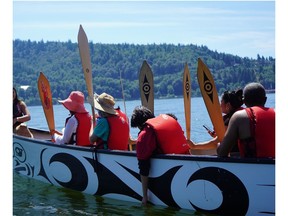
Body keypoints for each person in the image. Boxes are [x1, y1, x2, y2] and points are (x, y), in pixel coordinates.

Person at [191, 82, 275, 158]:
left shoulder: (239, 117)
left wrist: (219, 142)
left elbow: (222, 152)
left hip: (250, 168)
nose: (220, 105)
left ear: (244, 101)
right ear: (265, 100)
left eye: (221, 102)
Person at [130, 106, 191, 205]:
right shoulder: (168, 122)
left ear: (138, 125)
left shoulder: (145, 134)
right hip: (187, 166)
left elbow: (143, 167)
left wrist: (145, 197)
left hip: (172, 175)